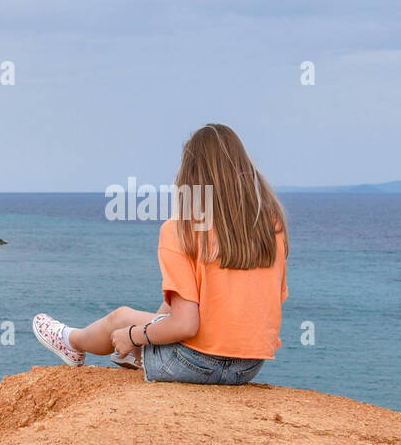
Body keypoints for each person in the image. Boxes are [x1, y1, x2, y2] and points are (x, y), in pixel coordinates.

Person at [34, 123, 288, 385]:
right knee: (173, 306)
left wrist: (134, 336)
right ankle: (131, 349)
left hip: (195, 364)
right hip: (247, 368)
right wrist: (151, 330)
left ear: (190, 176)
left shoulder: (181, 229)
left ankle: (71, 342)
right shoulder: (272, 227)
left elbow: (185, 325)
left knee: (120, 319)